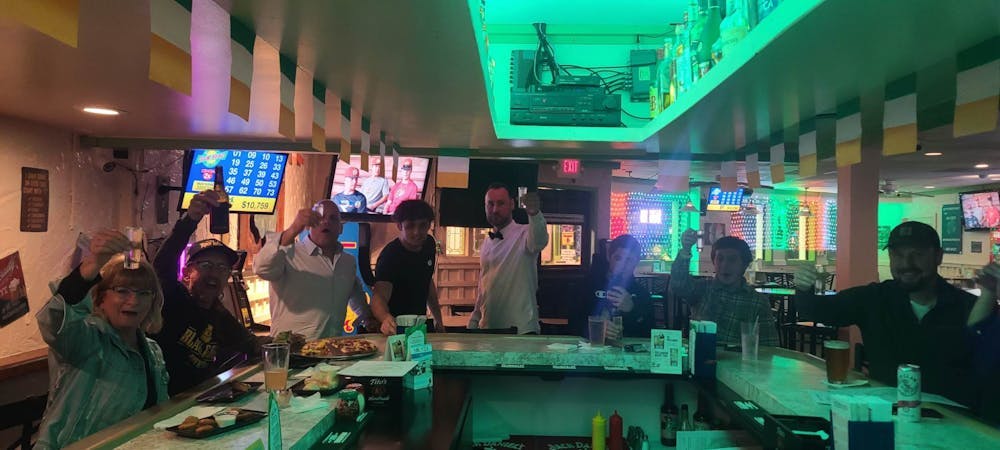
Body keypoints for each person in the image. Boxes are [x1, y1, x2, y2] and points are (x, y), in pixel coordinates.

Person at [793, 221, 998, 412]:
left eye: (917, 254)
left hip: (953, 421)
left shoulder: (968, 307)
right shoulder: (873, 298)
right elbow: (816, 311)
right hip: (888, 417)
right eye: (897, 255)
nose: (906, 263)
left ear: (938, 256)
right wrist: (803, 286)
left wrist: (990, 292)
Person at [36, 231, 168, 448]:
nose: (133, 300)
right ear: (100, 297)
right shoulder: (87, 339)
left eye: (144, 293)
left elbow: (157, 414)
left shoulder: (153, 351)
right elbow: (55, 320)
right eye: (122, 290)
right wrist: (92, 265)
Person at [152, 190, 266, 395]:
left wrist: (289, 343)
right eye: (206, 265)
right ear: (187, 272)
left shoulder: (218, 314)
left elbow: (253, 345)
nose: (214, 273)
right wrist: (190, 219)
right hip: (166, 405)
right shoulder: (172, 298)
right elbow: (162, 264)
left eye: (223, 269)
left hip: (202, 401)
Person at [254, 199, 370, 340]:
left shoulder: (348, 261)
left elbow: (355, 294)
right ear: (309, 225)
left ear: (340, 228)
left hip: (332, 350)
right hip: (291, 352)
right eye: (320, 217)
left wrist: (367, 317)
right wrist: (293, 229)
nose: (326, 222)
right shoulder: (288, 253)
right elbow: (261, 268)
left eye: (333, 218)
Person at [670, 230, 779, 346]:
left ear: (744, 265)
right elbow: (678, 284)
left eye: (732, 260)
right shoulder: (702, 289)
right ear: (714, 262)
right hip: (700, 356)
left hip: (737, 361)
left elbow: (769, 346)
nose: (724, 265)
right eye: (720, 259)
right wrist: (686, 249)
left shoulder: (757, 301)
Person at [468, 183, 549, 334]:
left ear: (512, 204)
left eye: (500, 203)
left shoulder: (525, 233)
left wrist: (535, 214)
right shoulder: (486, 242)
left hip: (521, 330)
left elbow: (540, 240)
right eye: (490, 204)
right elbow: (483, 287)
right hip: (488, 328)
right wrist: (474, 320)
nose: (495, 209)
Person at [370, 199, 445, 335]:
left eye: (423, 225)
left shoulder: (429, 244)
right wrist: (386, 318)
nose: (417, 232)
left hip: (419, 326)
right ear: (399, 226)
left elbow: (427, 282)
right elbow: (379, 296)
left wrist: (439, 320)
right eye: (410, 226)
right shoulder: (390, 255)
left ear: (429, 225)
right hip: (394, 328)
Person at [569, 234, 653, 339]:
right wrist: (597, 328)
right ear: (609, 257)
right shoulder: (587, 286)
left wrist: (632, 309)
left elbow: (649, 335)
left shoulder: (641, 294)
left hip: (625, 352)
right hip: (589, 349)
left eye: (628, 260)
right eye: (618, 258)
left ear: (636, 262)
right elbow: (572, 324)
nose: (622, 265)